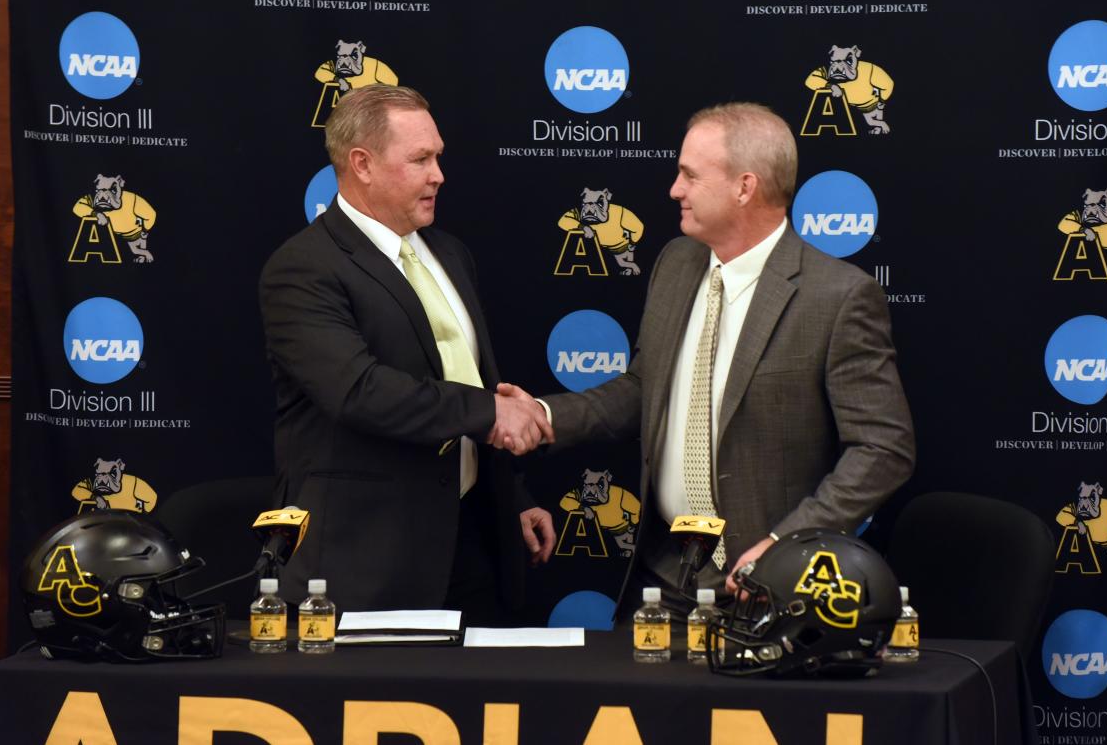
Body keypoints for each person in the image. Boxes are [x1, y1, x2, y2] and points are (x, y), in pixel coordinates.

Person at [501, 102, 914, 610]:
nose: (675, 189)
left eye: (690, 175)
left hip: (770, 588)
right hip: (661, 575)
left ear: (745, 187)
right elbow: (644, 389)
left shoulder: (838, 297)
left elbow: (883, 448)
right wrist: (543, 415)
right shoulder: (676, 264)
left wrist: (787, 546)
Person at [259, 85, 555, 621]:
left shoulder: (449, 253)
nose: (438, 173)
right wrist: (493, 414)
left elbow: (467, 375)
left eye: (438, 156)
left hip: (473, 546)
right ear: (362, 164)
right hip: (368, 561)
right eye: (421, 159)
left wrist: (511, 496)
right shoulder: (304, 268)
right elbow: (359, 391)